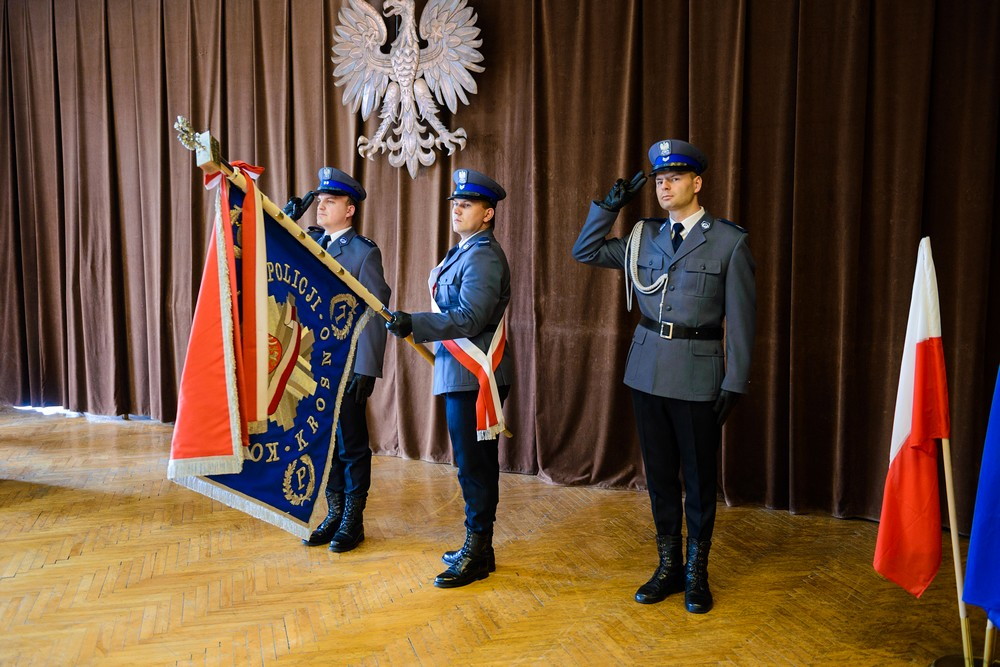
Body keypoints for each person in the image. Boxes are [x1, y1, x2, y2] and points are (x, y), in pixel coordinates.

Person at [571, 140, 755, 613]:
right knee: (659, 478)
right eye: (659, 179)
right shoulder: (642, 237)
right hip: (647, 370)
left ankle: (697, 572)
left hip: (698, 374)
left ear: (697, 183)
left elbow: (743, 318)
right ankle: (668, 565)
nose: (664, 186)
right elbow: (585, 251)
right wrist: (606, 208)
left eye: (674, 178)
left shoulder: (727, 241)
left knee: (697, 477)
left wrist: (736, 380)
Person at [385, 168, 514, 589]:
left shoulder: (483, 256)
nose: (457, 208)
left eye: (467, 204)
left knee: (474, 467)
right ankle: (482, 548)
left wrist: (414, 322)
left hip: (476, 375)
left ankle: (476, 550)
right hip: (458, 370)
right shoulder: (463, 252)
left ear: (488, 213)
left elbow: (471, 318)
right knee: (470, 464)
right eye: (455, 203)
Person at [284, 167, 391, 553]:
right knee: (321, 440)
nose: (321, 207)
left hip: (346, 363)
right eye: (319, 201)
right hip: (310, 363)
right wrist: (288, 214)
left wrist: (367, 365)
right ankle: (332, 512)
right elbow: (271, 249)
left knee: (350, 444)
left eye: (331, 202)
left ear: (350, 210)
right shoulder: (309, 241)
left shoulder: (363, 252)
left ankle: (353, 520)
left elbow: (377, 309)